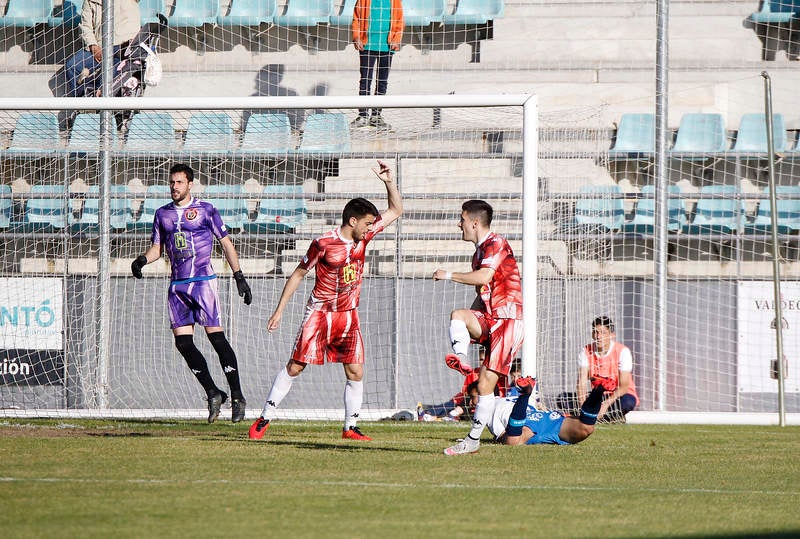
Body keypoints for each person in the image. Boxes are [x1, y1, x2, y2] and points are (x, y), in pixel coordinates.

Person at [249, 160, 403, 441]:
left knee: (355, 370)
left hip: (348, 314)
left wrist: (388, 182)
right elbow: (297, 275)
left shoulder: (363, 239)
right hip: (319, 314)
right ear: (352, 221)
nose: (371, 229)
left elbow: (396, 210)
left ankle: (350, 427)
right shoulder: (323, 244)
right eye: (367, 223)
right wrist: (279, 311)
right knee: (296, 366)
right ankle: (264, 418)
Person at [130, 164, 252, 424]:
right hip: (178, 286)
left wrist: (239, 275)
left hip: (203, 283)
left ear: (190, 184)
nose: (174, 187)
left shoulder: (206, 210)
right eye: (172, 182)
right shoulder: (162, 214)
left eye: (179, 182)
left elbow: (226, 243)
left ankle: (238, 395)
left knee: (216, 339)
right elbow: (157, 248)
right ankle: (213, 392)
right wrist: (142, 260)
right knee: (183, 344)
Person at [432, 200, 524, 456]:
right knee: (459, 315)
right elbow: (482, 292)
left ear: (474, 222)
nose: (458, 224)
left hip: (507, 321)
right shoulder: (478, 253)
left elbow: (484, 277)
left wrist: (448, 274)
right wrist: (471, 320)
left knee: (484, 386)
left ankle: (473, 441)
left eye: (461, 219)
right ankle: (461, 360)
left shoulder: (496, 243)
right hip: (490, 317)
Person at [486, 376, 607, 446]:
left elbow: (502, 436)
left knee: (512, 441)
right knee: (586, 428)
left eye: (474, 397)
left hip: (527, 422)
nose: (471, 402)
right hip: (544, 418)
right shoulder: (506, 398)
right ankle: (598, 390)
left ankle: (525, 394)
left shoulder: (488, 406)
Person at [64, 0, 141, 98]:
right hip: (100, 48)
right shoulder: (89, 2)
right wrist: (93, 46)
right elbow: (85, 27)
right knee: (73, 66)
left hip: (124, 47)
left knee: (107, 75)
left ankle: (104, 104)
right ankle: (86, 102)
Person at [350, 0, 403, 129]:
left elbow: (400, 21)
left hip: (387, 46)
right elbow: (356, 18)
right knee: (365, 80)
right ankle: (363, 115)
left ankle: (376, 115)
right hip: (367, 46)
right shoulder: (363, 1)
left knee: (382, 81)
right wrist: (356, 37)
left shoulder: (395, 1)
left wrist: (396, 39)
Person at [575, 316, 639, 422]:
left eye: (603, 332)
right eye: (595, 332)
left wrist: (605, 404)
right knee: (563, 398)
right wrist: (583, 407)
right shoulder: (586, 351)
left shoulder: (623, 351)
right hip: (598, 396)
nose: (598, 336)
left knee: (627, 402)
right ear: (592, 334)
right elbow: (581, 384)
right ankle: (608, 417)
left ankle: (602, 415)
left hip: (617, 397)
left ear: (611, 335)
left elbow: (624, 386)